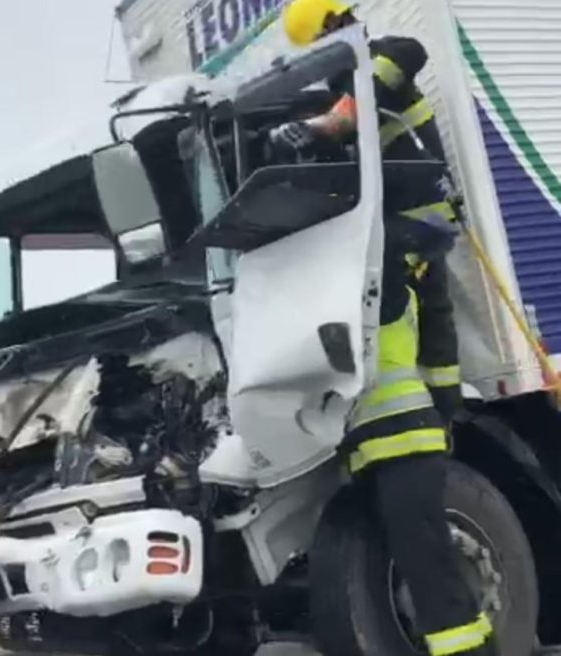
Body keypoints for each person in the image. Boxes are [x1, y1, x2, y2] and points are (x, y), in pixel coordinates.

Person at [270, 2, 497, 656]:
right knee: (421, 559)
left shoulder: (377, 64)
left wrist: (326, 125)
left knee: (431, 568)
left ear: (342, 25)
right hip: (380, 443)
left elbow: (406, 54)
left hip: (416, 216)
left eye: (333, 40)